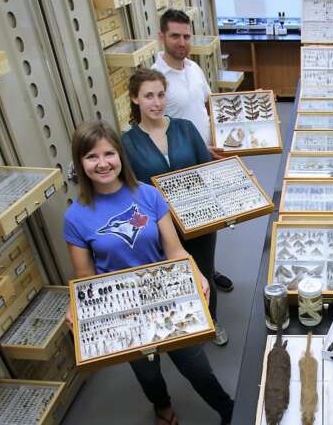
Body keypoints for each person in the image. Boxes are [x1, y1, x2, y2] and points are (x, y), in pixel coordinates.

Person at [63, 121, 233, 425]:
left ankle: (227, 409)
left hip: (167, 296)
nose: (102, 163)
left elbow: (175, 250)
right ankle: (163, 407)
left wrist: (196, 273)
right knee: (147, 373)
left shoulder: (149, 195)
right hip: (123, 310)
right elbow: (85, 278)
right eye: (91, 157)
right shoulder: (75, 217)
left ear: (120, 156)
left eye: (108, 153)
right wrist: (76, 306)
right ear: (80, 163)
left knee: (198, 368)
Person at [120, 67, 229, 346]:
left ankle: (211, 321)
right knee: (172, 275)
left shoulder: (185, 128)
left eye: (160, 95)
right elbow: (131, 191)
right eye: (148, 96)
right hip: (158, 225)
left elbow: (206, 170)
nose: (156, 102)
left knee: (203, 267)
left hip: (199, 217)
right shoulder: (127, 143)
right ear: (135, 99)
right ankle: (182, 324)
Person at [152, 8, 235, 295]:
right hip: (178, 168)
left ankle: (209, 270)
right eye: (175, 36)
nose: (182, 42)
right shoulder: (155, 80)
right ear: (161, 36)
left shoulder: (194, 68)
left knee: (208, 222)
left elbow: (206, 108)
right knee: (182, 231)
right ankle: (194, 284)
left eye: (186, 36)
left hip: (206, 160)